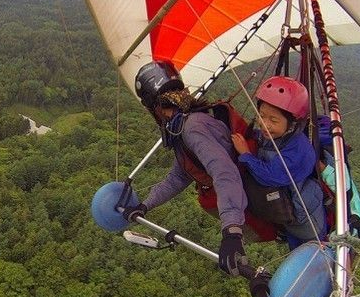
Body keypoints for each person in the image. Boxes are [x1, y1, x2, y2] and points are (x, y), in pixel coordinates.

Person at [121, 60, 249, 276]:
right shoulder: (182, 127)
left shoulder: (192, 128)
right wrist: (145, 206)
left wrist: (232, 231)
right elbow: (180, 176)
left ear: (156, 107)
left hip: (251, 190)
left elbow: (223, 171)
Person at [230, 76, 327, 249]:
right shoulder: (275, 135)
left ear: (292, 124)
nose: (265, 124)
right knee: (293, 249)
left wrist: (245, 154)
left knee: (311, 257)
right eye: (261, 115)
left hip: (308, 224)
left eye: (273, 121)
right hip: (289, 218)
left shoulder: (298, 149)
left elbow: (270, 177)